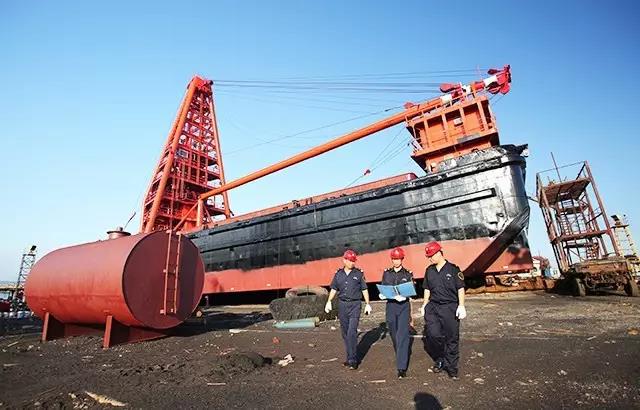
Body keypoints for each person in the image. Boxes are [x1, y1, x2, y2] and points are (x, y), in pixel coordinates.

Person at [419, 241, 466, 380]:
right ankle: (440, 358)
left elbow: (460, 288)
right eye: (428, 256)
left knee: (452, 338)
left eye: (431, 255)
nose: (430, 258)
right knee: (433, 335)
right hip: (433, 307)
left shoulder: (453, 269)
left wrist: (461, 305)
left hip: (449, 307)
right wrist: (424, 304)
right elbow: (427, 288)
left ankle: (451, 367)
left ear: (439, 253)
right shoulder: (429, 270)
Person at [325, 249, 372, 370]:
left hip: (355, 305)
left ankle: (353, 360)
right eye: (350, 260)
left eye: (353, 261)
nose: (352, 263)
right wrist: (329, 301)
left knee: (352, 332)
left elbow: (364, 289)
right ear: (344, 260)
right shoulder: (338, 274)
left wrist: (367, 303)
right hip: (342, 305)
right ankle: (349, 357)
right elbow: (334, 288)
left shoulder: (359, 274)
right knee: (345, 333)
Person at [379, 247, 413, 378]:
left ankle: (401, 368)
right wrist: (382, 294)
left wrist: (404, 296)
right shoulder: (387, 273)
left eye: (398, 259)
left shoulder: (408, 274)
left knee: (402, 335)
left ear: (402, 259)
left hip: (403, 306)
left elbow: (411, 289)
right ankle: (400, 353)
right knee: (394, 334)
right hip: (391, 306)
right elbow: (384, 286)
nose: (396, 261)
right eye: (394, 259)